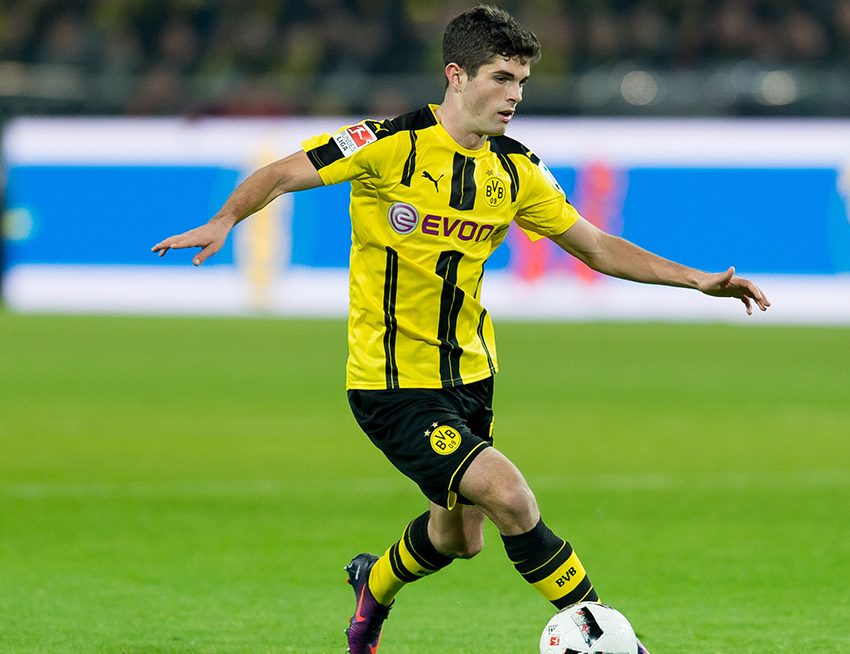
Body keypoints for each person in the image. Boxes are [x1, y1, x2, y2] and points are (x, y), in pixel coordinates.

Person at [152, 5, 769, 653]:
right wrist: (224, 220)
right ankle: (609, 638)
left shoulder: (516, 170)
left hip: (472, 378)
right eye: (501, 78)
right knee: (510, 496)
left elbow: (596, 247)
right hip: (390, 384)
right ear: (456, 75)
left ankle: (373, 585)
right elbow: (281, 174)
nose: (515, 95)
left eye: (522, 82)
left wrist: (697, 278)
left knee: (459, 538)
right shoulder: (385, 144)